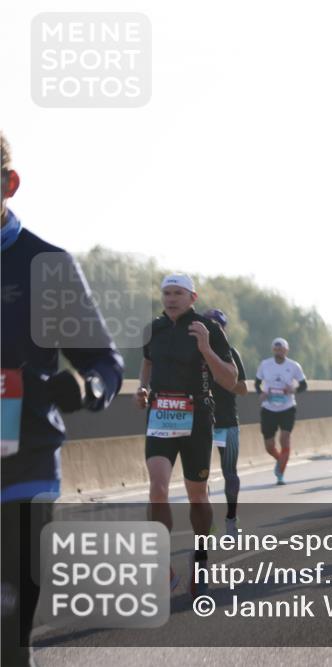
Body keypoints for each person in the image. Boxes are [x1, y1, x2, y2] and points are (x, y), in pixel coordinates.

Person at [1, 131, 125, 667]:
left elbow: (105, 363)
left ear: (9, 183)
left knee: (8, 626)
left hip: (22, 461)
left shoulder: (46, 265)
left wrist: (88, 388)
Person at [138, 274, 238, 596]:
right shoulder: (153, 328)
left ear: (192, 297)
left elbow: (231, 378)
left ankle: (199, 560)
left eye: (177, 293)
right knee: (157, 487)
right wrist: (142, 388)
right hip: (160, 416)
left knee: (197, 496)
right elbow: (147, 361)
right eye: (166, 292)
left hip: (196, 419)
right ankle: (163, 565)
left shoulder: (208, 329)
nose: (170, 298)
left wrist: (206, 348)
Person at [204, 309, 248, 535]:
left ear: (223, 328)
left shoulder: (230, 353)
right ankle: (207, 525)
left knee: (229, 473)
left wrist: (222, 378)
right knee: (199, 477)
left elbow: (243, 389)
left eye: (217, 325)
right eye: (208, 323)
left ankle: (231, 519)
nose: (213, 328)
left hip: (226, 423)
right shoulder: (195, 352)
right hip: (201, 423)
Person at [255, 338, 307, 485]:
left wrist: (294, 389)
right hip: (269, 408)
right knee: (269, 446)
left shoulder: (293, 366)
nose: (279, 351)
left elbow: (304, 385)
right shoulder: (265, 364)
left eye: (281, 349)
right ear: (273, 350)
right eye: (276, 349)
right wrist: (261, 393)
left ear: (286, 350)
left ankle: (280, 474)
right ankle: (280, 460)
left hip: (287, 407)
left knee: (284, 438)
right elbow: (257, 383)